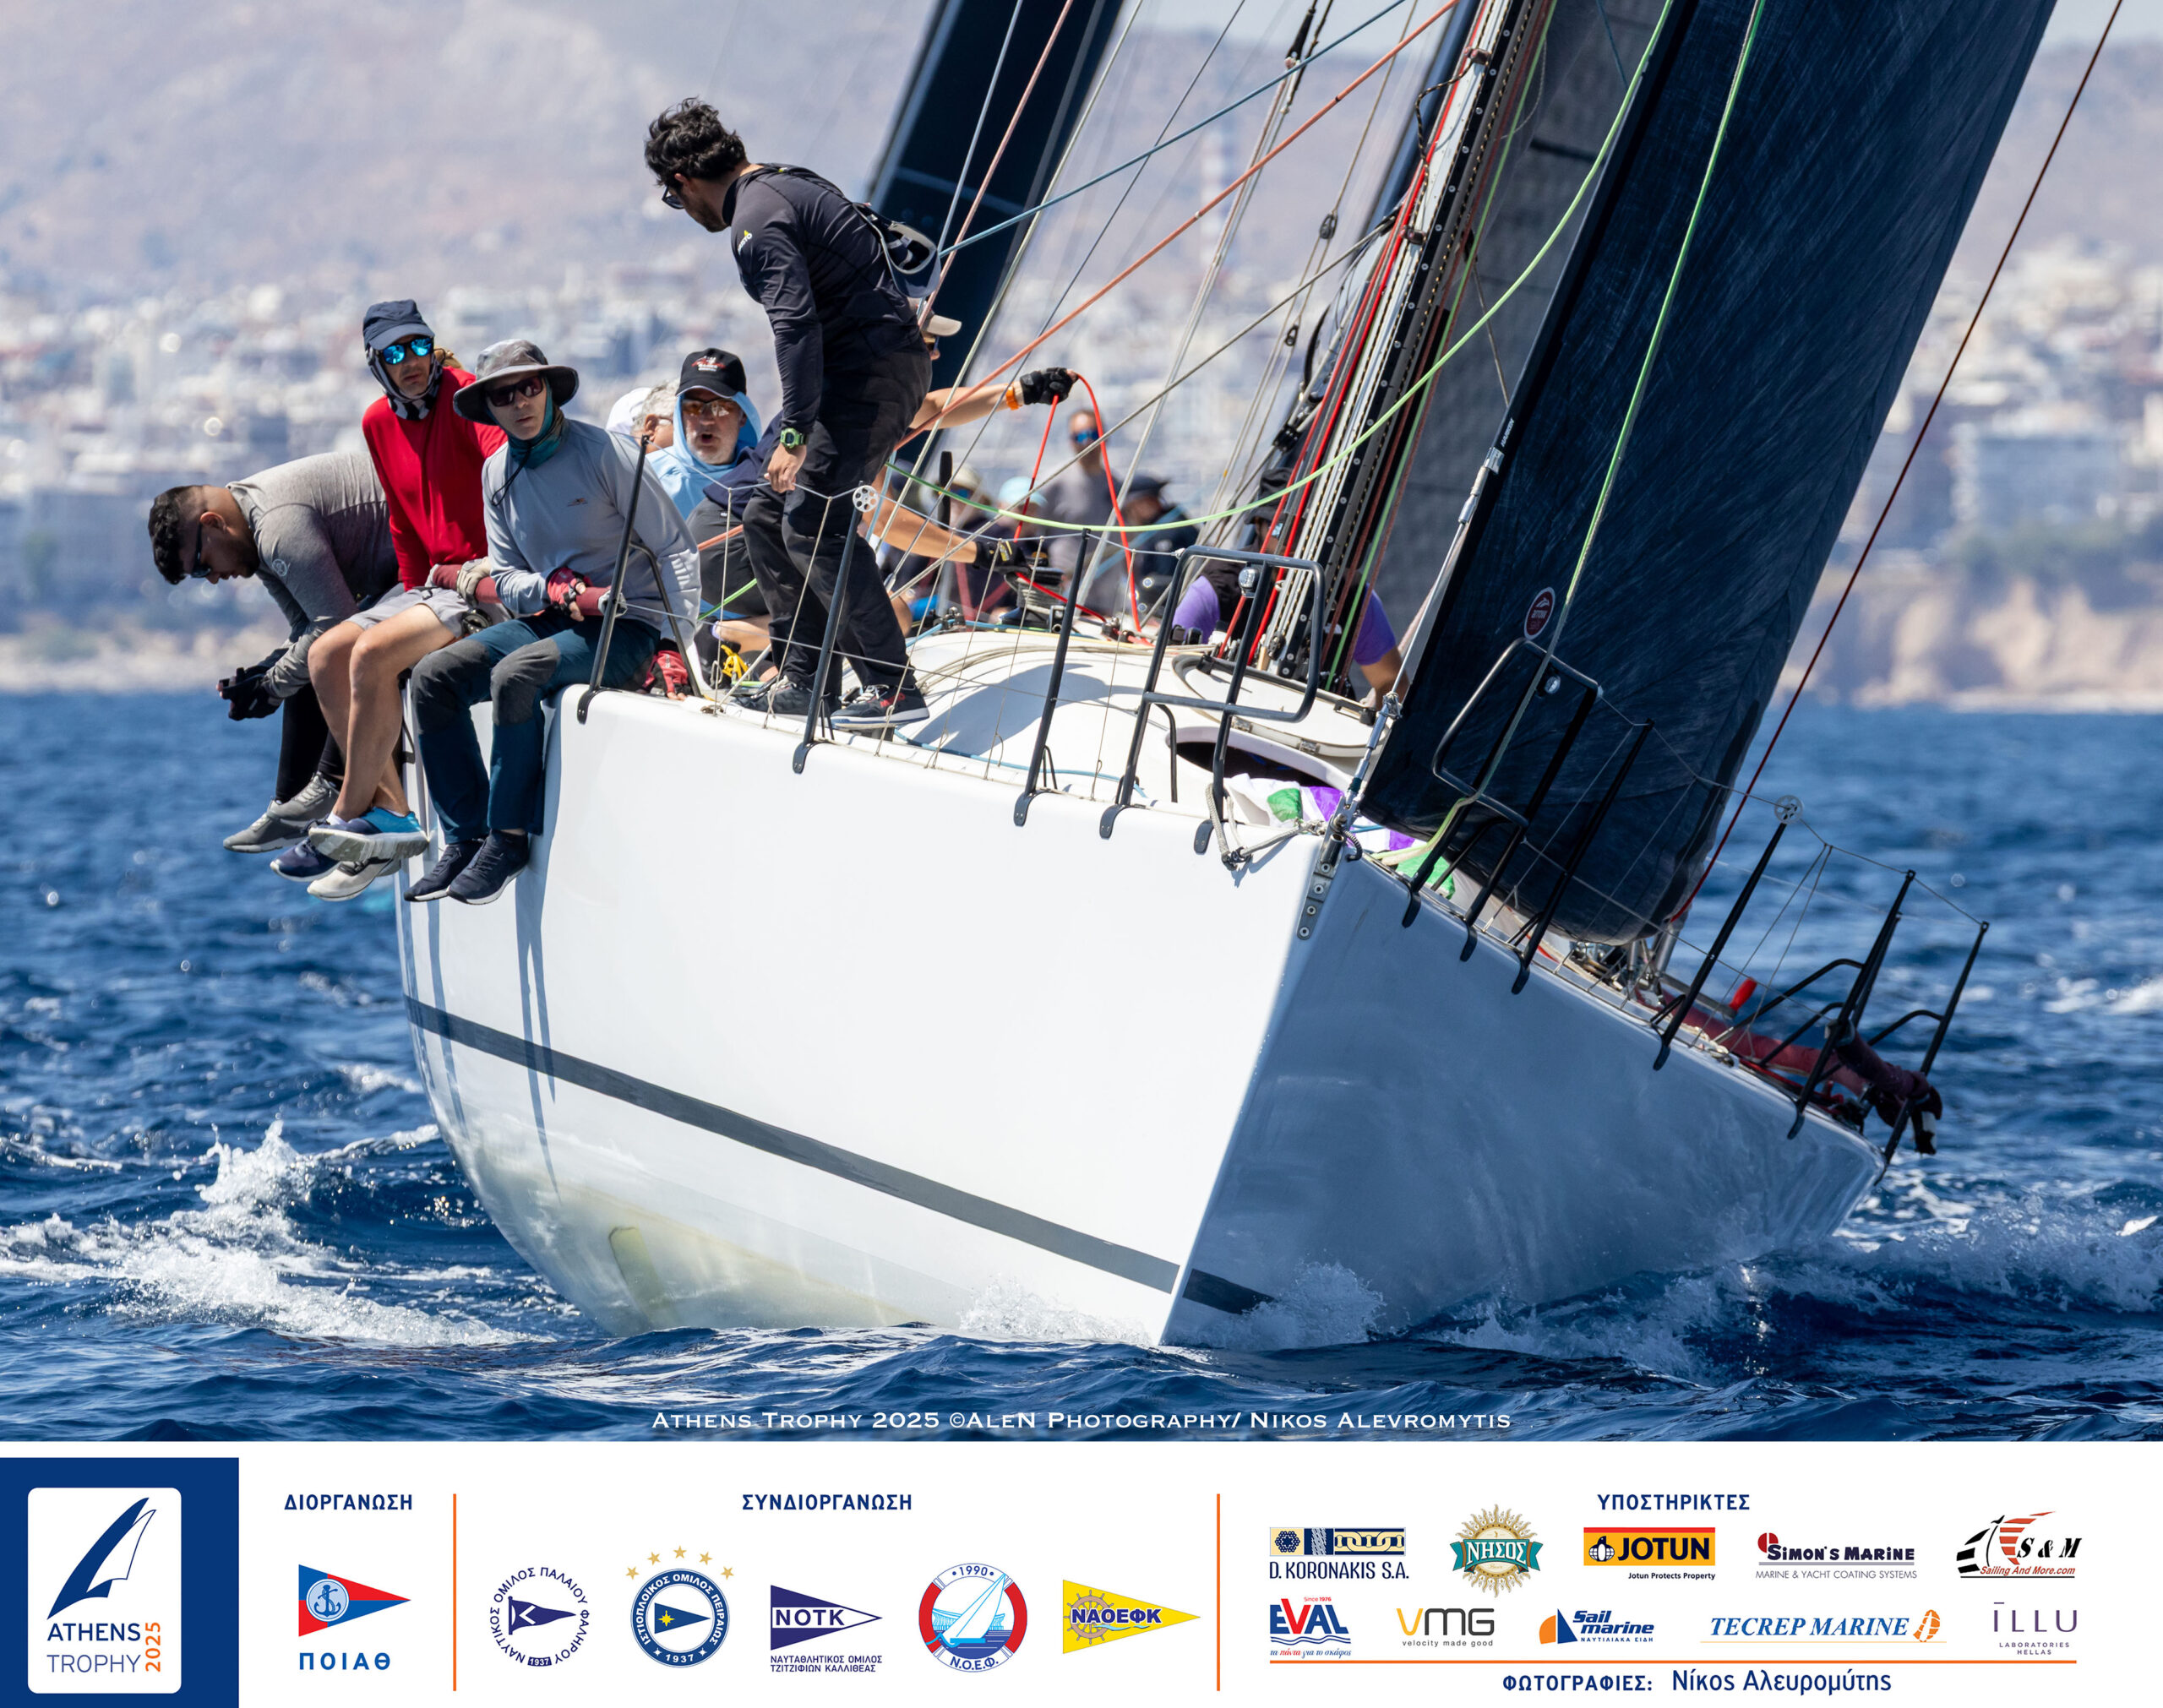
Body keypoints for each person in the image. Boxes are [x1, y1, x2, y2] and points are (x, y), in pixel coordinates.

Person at [646, 99, 932, 729]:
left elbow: (795, 324)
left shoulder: (755, 220)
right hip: (859, 372)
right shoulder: (785, 182)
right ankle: (805, 679)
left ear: (683, 182)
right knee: (765, 512)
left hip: (864, 376)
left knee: (813, 522)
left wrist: (796, 432)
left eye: (673, 197)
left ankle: (892, 688)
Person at [402, 340, 699, 906]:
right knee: (433, 676)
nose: (519, 402)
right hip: (554, 617)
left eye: (529, 387)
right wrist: (553, 587)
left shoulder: (606, 453)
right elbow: (508, 577)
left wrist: (672, 643)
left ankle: (508, 840)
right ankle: (466, 838)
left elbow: (675, 550)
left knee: (516, 674)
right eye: (503, 395)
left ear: (549, 390)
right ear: (489, 408)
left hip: (630, 625)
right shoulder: (495, 473)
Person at [292, 302, 504, 900]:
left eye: (418, 346)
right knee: (326, 655)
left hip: (482, 580)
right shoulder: (377, 422)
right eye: (394, 353)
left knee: (371, 654)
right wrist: (412, 597)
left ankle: (344, 817)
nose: (410, 361)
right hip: (429, 587)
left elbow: (506, 460)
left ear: (432, 348)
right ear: (375, 364)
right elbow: (403, 524)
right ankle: (391, 813)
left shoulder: (468, 395)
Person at [146, 454, 397, 873]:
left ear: (212, 523)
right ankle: (290, 804)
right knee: (303, 661)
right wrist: (263, 672)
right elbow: (305, 626)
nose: (212, 579)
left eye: (203, 567)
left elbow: (335, 626)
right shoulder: (250, 530)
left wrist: (271, 687)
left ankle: (331, 791)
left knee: (327, 656)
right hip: (391, 581)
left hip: (431, 561)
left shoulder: (277, 528)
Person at [1171, 568, 1404, 706]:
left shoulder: (1353, 595)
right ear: (1260, 525)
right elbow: (1170, 665)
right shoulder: (1219, 584)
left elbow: (1391, 685)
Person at [1119, 476, 1200, 619]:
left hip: (1172, 613)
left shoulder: (1167, 532)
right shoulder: (1169, 524)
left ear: (1146, 502)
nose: (1130, 515)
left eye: (1130, 508)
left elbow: (1164, 582)